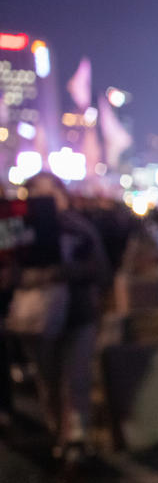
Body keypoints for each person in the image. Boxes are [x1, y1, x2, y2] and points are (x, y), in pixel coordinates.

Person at [16, 173, 111, 464]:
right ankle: (59, 431)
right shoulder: (16, 231)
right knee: (48, 380)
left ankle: (76, 439)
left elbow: (100, 269)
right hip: (37, 321)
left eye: (50, 195)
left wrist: (62, 273)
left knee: (77, 378)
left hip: (78, 316)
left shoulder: (79, 228)